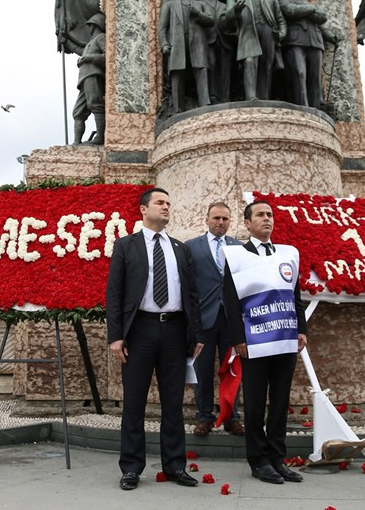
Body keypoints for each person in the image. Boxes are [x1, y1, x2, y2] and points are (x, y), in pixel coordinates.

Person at [106, 187, 205, 491]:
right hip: (140, 332)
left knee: (173, 403)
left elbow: (191, 294)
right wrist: (116, 336)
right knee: (134, 402)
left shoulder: (179, 248)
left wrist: (197, 333)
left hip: (175, 331)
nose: (166, 207)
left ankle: (175, 466)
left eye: (168, 203)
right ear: (143, 209)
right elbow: (115, 294)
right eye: (160, 202)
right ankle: (132, 468)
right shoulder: (126, 246)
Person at [223, 200, 307, 485]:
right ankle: (258, 461)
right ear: (247, 223)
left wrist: (301, 330)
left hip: (284, 339)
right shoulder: (236, 256)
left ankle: (277, 458)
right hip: (253, 341)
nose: (267, 219)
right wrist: (237, 338)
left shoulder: (288, 254)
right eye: (260, 215)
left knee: (281, 401)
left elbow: (296, 296)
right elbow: (230, 301)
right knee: (256, 402)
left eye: (270, 215)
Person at [185, 202, 244, 436]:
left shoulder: (239, 247)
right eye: (216, 218)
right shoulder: (191, 247)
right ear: (207, 220)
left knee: (232, 370)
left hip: (231, 320)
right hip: (203, 320)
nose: (221, 222)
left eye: (225, 219)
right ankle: (205, 416)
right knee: (202, 370)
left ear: (230, 222)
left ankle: (231, 416)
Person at [221, 0, 287, 101]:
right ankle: (251, 96)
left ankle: (264, 98)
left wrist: (281, 34)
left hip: (268, 32)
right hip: (248, 31)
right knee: (250, 61)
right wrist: (236, 11)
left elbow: (281, 20)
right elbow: (227, 17)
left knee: (266, 67)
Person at [279, 0, 339, 109]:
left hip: (315, 41)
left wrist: (330, 36)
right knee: (299, 74)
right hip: (295, 40)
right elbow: (291, 12)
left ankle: (315, 107)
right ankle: (303, 107)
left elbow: (322, 19)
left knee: (314, 78)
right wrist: (311, 10)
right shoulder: (284, 1)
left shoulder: (310, 5)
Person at [159, 0, 214, 115]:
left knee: (201, 71)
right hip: (177, 45)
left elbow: (211, 21)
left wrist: (198, 14)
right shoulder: (170, 5)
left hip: (197, 43)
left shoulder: (200, 4)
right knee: (177, 74)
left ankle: (205, 103)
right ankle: (177, 108)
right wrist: (164, 44)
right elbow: (162, 28)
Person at [72, 13, 106, 145]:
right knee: (78, 112)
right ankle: (77, 141)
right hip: (84, 78)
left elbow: (108, 55)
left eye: (90, 26)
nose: (89, 29)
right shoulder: (90, 42)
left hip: (93, 74)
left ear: (95, 25)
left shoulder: (101, 38)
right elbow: (77, 47)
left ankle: (100, 137)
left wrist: (90, 58)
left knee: (95, 104)